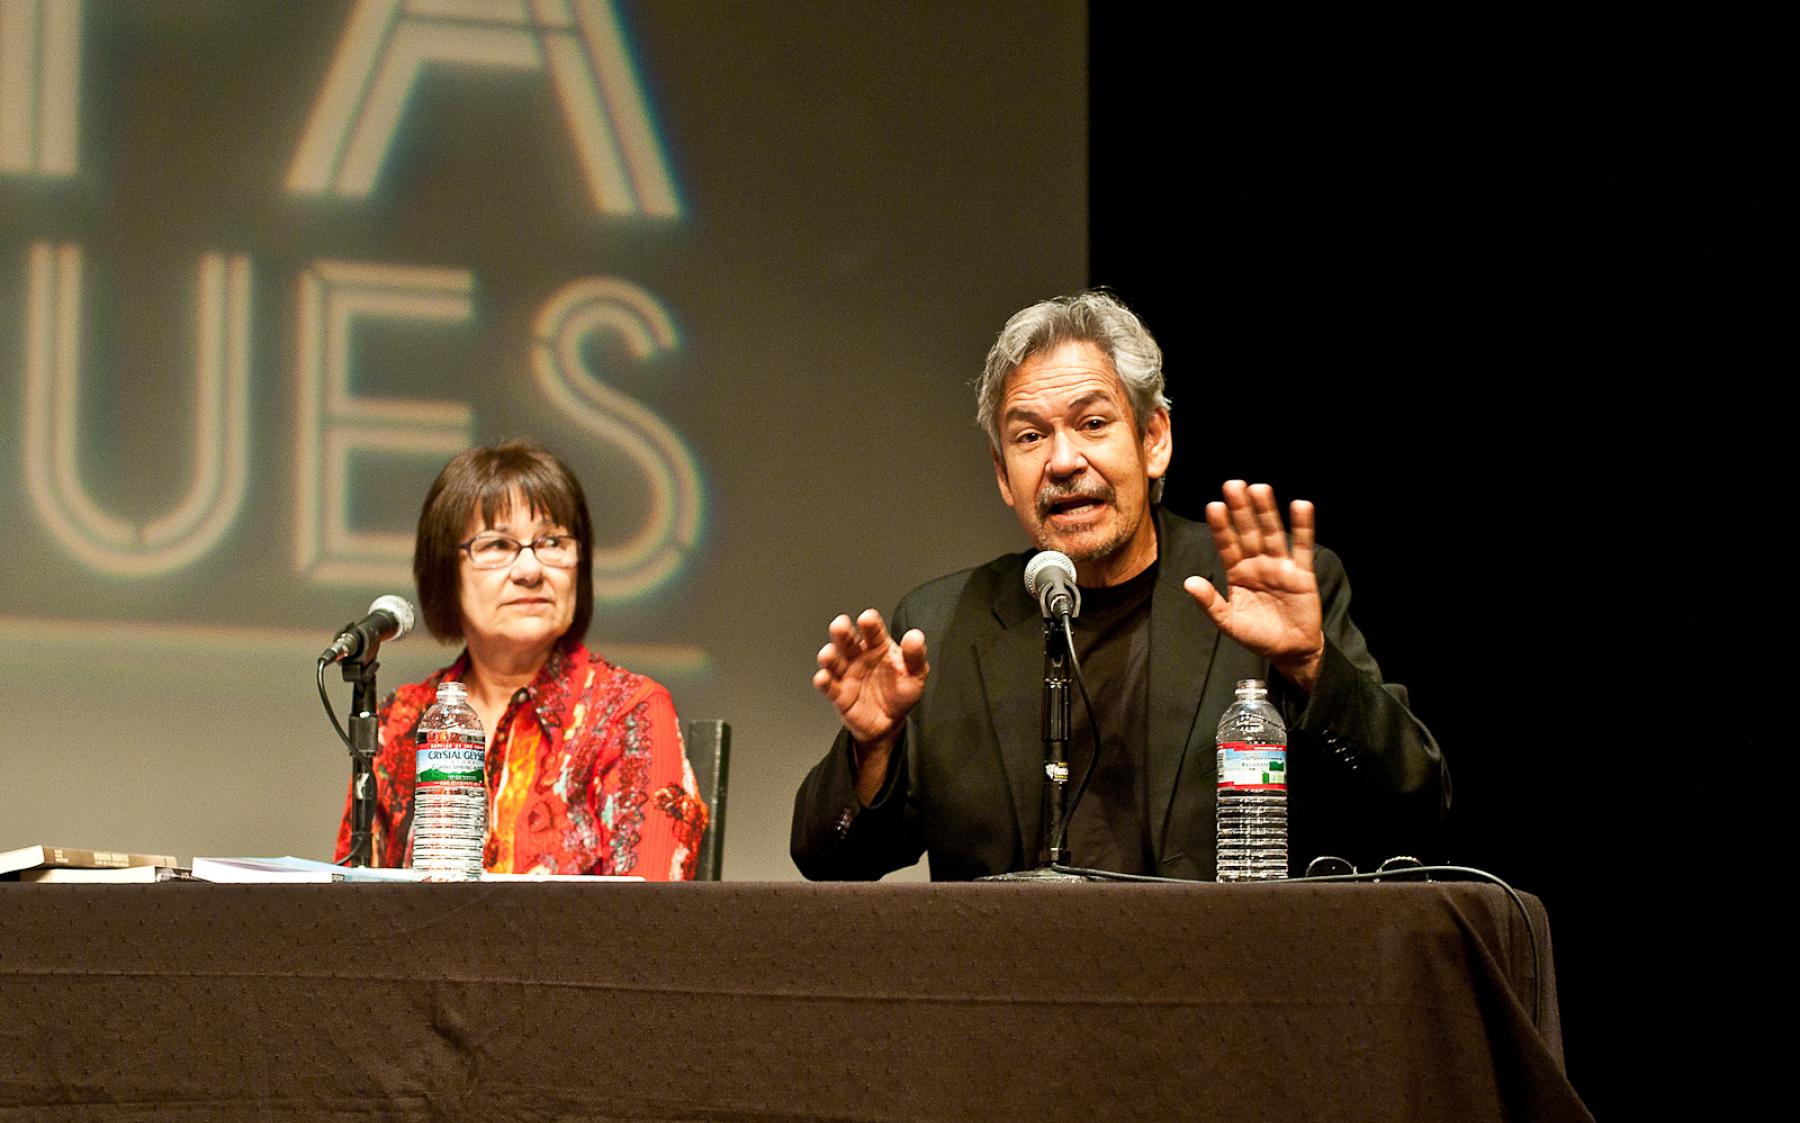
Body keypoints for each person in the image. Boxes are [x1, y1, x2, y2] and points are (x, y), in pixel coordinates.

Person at [792, 292, 1447, 881]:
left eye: (1093, 423)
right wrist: (872, 750)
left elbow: (1414, 803)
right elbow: (831, 861)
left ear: (1154, 439)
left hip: (1223, 997)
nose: (1064, 461)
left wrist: (1310, 668)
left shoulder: (1261, 599)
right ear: (1002, 474)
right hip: (1004, 1003)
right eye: (1029, 436)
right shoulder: (940, 626)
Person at [334, 440, 708, 878]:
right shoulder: (401, 721)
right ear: (444, 570)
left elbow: (650, 921)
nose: (530, 571)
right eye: (496, 546)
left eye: (552, 542)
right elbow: (353, 913)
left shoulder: (628, 712)